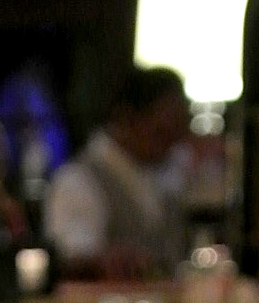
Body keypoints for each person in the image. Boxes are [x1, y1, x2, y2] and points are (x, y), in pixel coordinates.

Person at [44, 66, 191, 280]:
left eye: (177, 132)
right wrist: (104, 261)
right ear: (127, 119)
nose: (173, 144)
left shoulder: (167, 169)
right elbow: (71, 255)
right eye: (160, 133)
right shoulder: (78, 180)